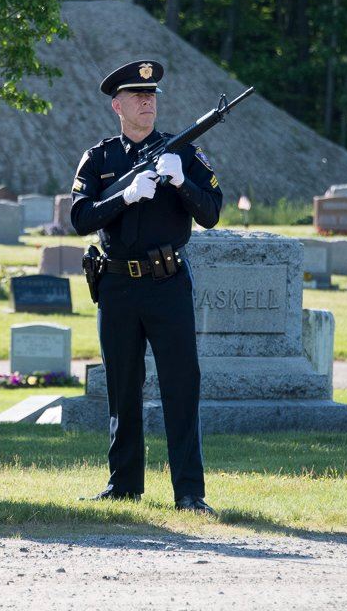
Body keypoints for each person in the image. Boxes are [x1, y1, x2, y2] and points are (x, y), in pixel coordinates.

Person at [70, 60, 223, 514]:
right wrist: (124, 196)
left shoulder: (184, 153)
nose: (147, 102)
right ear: (117, 105)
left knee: (181, 385)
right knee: (122, 385)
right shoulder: (98, 158)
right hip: (116, 284)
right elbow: (80, 217)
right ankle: (124, 485)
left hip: (167, 282)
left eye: (152, 95)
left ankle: (190, 493)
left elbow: (212, 212)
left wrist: (180, 182)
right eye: (137, 96)